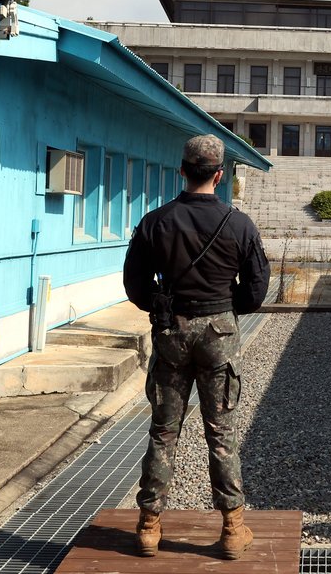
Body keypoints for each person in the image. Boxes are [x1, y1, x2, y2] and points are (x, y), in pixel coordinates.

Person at [123, 134, 270, 559]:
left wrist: (162, 307)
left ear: (183, 170)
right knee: (221, 432)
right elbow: (257, 290)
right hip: (219, 334)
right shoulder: (239, 224)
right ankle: (232, 528)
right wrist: (225, 309)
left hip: (171, 333)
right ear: (220, 175)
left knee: (163, 430)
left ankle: (149, 526)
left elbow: (135, 283)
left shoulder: (155, 221)